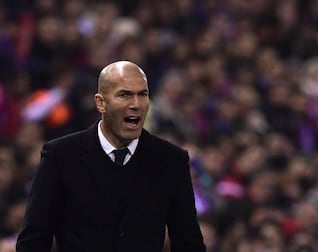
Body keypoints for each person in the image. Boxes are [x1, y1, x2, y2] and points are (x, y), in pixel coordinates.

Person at [16, 61, 206, 252]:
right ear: (101, 103)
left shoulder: (172, 160)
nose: (136, 104)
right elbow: (33, 241)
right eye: (125, 95)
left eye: (143, 94)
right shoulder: (60, 156)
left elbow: (189, 244)